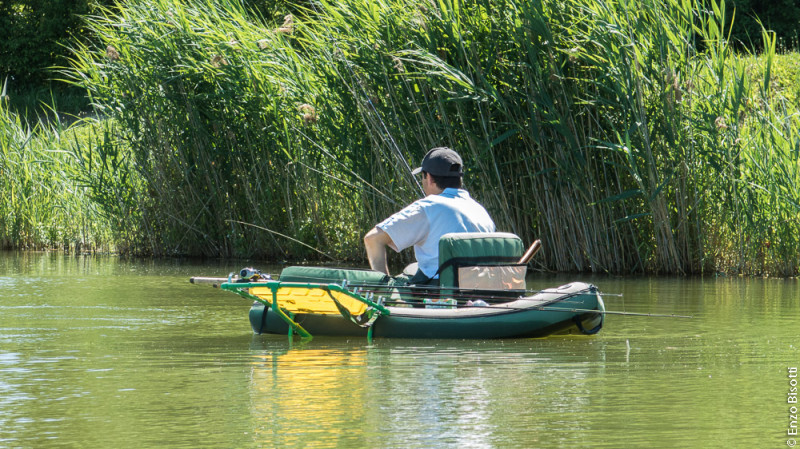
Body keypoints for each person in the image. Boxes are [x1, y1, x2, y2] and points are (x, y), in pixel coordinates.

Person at [364, 147, 495, 284]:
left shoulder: (428, 207)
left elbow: (373, 239)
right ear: (459, 180)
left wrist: (383, 289)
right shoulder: (479, 210)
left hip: (439, 292)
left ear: (430, 178)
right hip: (479, 288)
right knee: (412, 268)